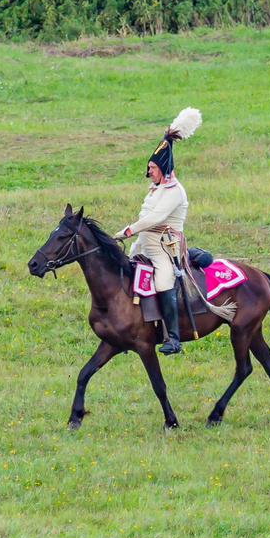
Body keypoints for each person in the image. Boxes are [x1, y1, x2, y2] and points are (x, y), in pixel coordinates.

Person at [118, 106, 201, 354]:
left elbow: (156, 217)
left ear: (163, 169)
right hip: (145, 243)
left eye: (152, 169)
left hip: (166, 247)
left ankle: (173, 338)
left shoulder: (175, 191)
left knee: (164, 280)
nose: (148, 173)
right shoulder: (156, 188)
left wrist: (128, 230)